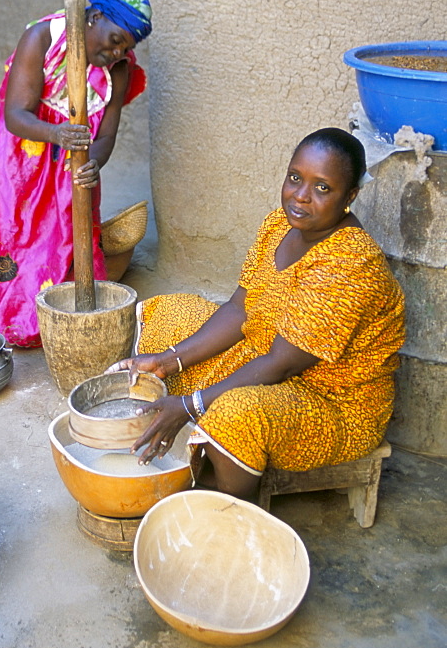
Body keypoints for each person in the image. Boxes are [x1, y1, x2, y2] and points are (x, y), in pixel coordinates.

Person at [110, 128, 405, 501]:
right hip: (265, 354)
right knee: (174, 312)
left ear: (350, 196)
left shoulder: (350, 263)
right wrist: (170, 361)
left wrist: (190, 404)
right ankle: (199, 433)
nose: (300, 196)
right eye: (295, 178)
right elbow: (239, 309)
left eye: (322, 188)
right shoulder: (278, 226)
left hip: (331, 402)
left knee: (234, 415)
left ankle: (231, 506)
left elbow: (282, 364)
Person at [0, 0, 152, 347]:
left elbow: (106, 136)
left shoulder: (119, 69)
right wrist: (57, 134)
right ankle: (6, 308)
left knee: (67, 231)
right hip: (22, 158)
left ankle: (54, 311)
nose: (118, 52)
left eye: (126, 47)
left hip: (72, 164)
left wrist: (93, 164)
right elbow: (15, 115)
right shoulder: (43, 38)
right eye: (116, 40)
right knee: (16, 231)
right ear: (94, 16)